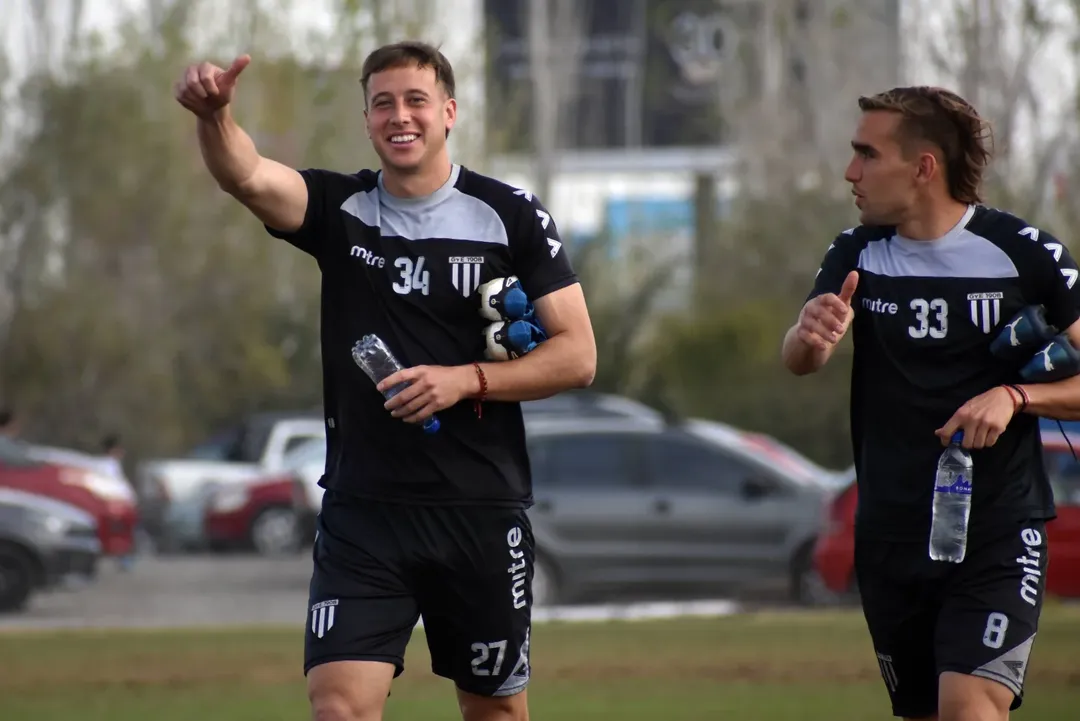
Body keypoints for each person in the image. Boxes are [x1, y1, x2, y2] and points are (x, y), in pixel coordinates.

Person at [174, 41, 597, 721]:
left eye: (416, 100)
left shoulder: (511, 215)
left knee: (494, 712)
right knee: (338, 706)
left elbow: (579, 355)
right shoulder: (341, 208)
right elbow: (248, 176)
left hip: (478, 512)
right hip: (362, 513)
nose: (400, 116)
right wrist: (215, 117)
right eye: (383, 103)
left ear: (449, 112)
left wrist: (466, 379)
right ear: (368, 119)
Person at [782, 86, 1080, 721]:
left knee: (969, 708)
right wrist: (809, 334)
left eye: (867, 153)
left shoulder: (1025, 253)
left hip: (998, 529)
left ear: (923, 167)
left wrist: (1015, 395)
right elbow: (800, 359)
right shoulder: (857, 251)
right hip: (890, 533)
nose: (850, 171)